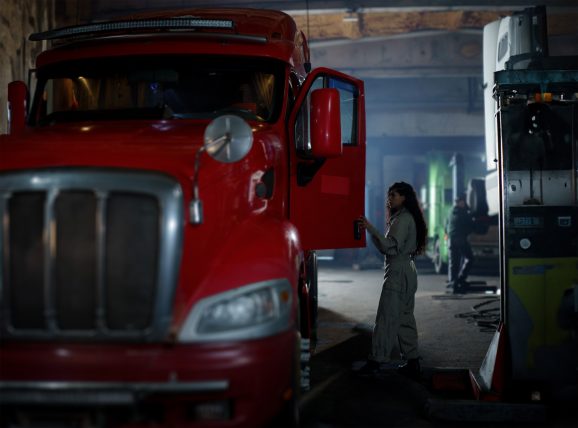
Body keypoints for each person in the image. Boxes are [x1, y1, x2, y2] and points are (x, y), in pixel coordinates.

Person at [356, 181, 428, 380]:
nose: (390, 198)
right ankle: (413, 362)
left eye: (394, 195)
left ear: (404, 197)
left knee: (386, 318)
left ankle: (376, 361)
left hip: (397, 271)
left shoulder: (402, 219)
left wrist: (370, 228)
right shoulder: (406, 217)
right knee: (405, 318)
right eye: (390, 195)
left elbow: (389, 247)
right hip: (407, 270)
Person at [446, 194, 475, 293]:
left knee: (453, 262)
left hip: (451, 239)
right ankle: (460, 279)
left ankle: (453, 282)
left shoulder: (451, 211)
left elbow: (446, 224)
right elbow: (470, 225)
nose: (464, 203)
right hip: (460, 239)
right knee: (469, 258)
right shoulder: (463, 213)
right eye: (463, 202)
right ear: (460, 202)